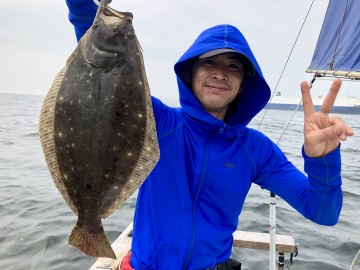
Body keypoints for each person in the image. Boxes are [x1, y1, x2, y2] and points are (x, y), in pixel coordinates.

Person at [65, 1, 354, 269]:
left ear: (243, 84)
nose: (220, 73)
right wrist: (90, 8)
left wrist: (323, 160)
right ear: (190, 73)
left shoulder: (256, 149)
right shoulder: (156, 120)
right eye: (209, 62)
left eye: (233, 66)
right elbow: (102, 59)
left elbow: (323, 213)